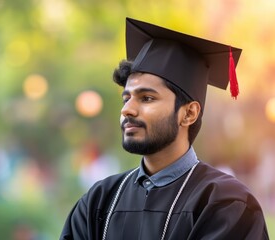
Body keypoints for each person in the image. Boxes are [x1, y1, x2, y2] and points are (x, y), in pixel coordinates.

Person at [60, 17, 269, 240]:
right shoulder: (99, 201)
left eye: (147, 98)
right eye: (126, 98)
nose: (127, 110)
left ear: (189, 113)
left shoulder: (225, 203)